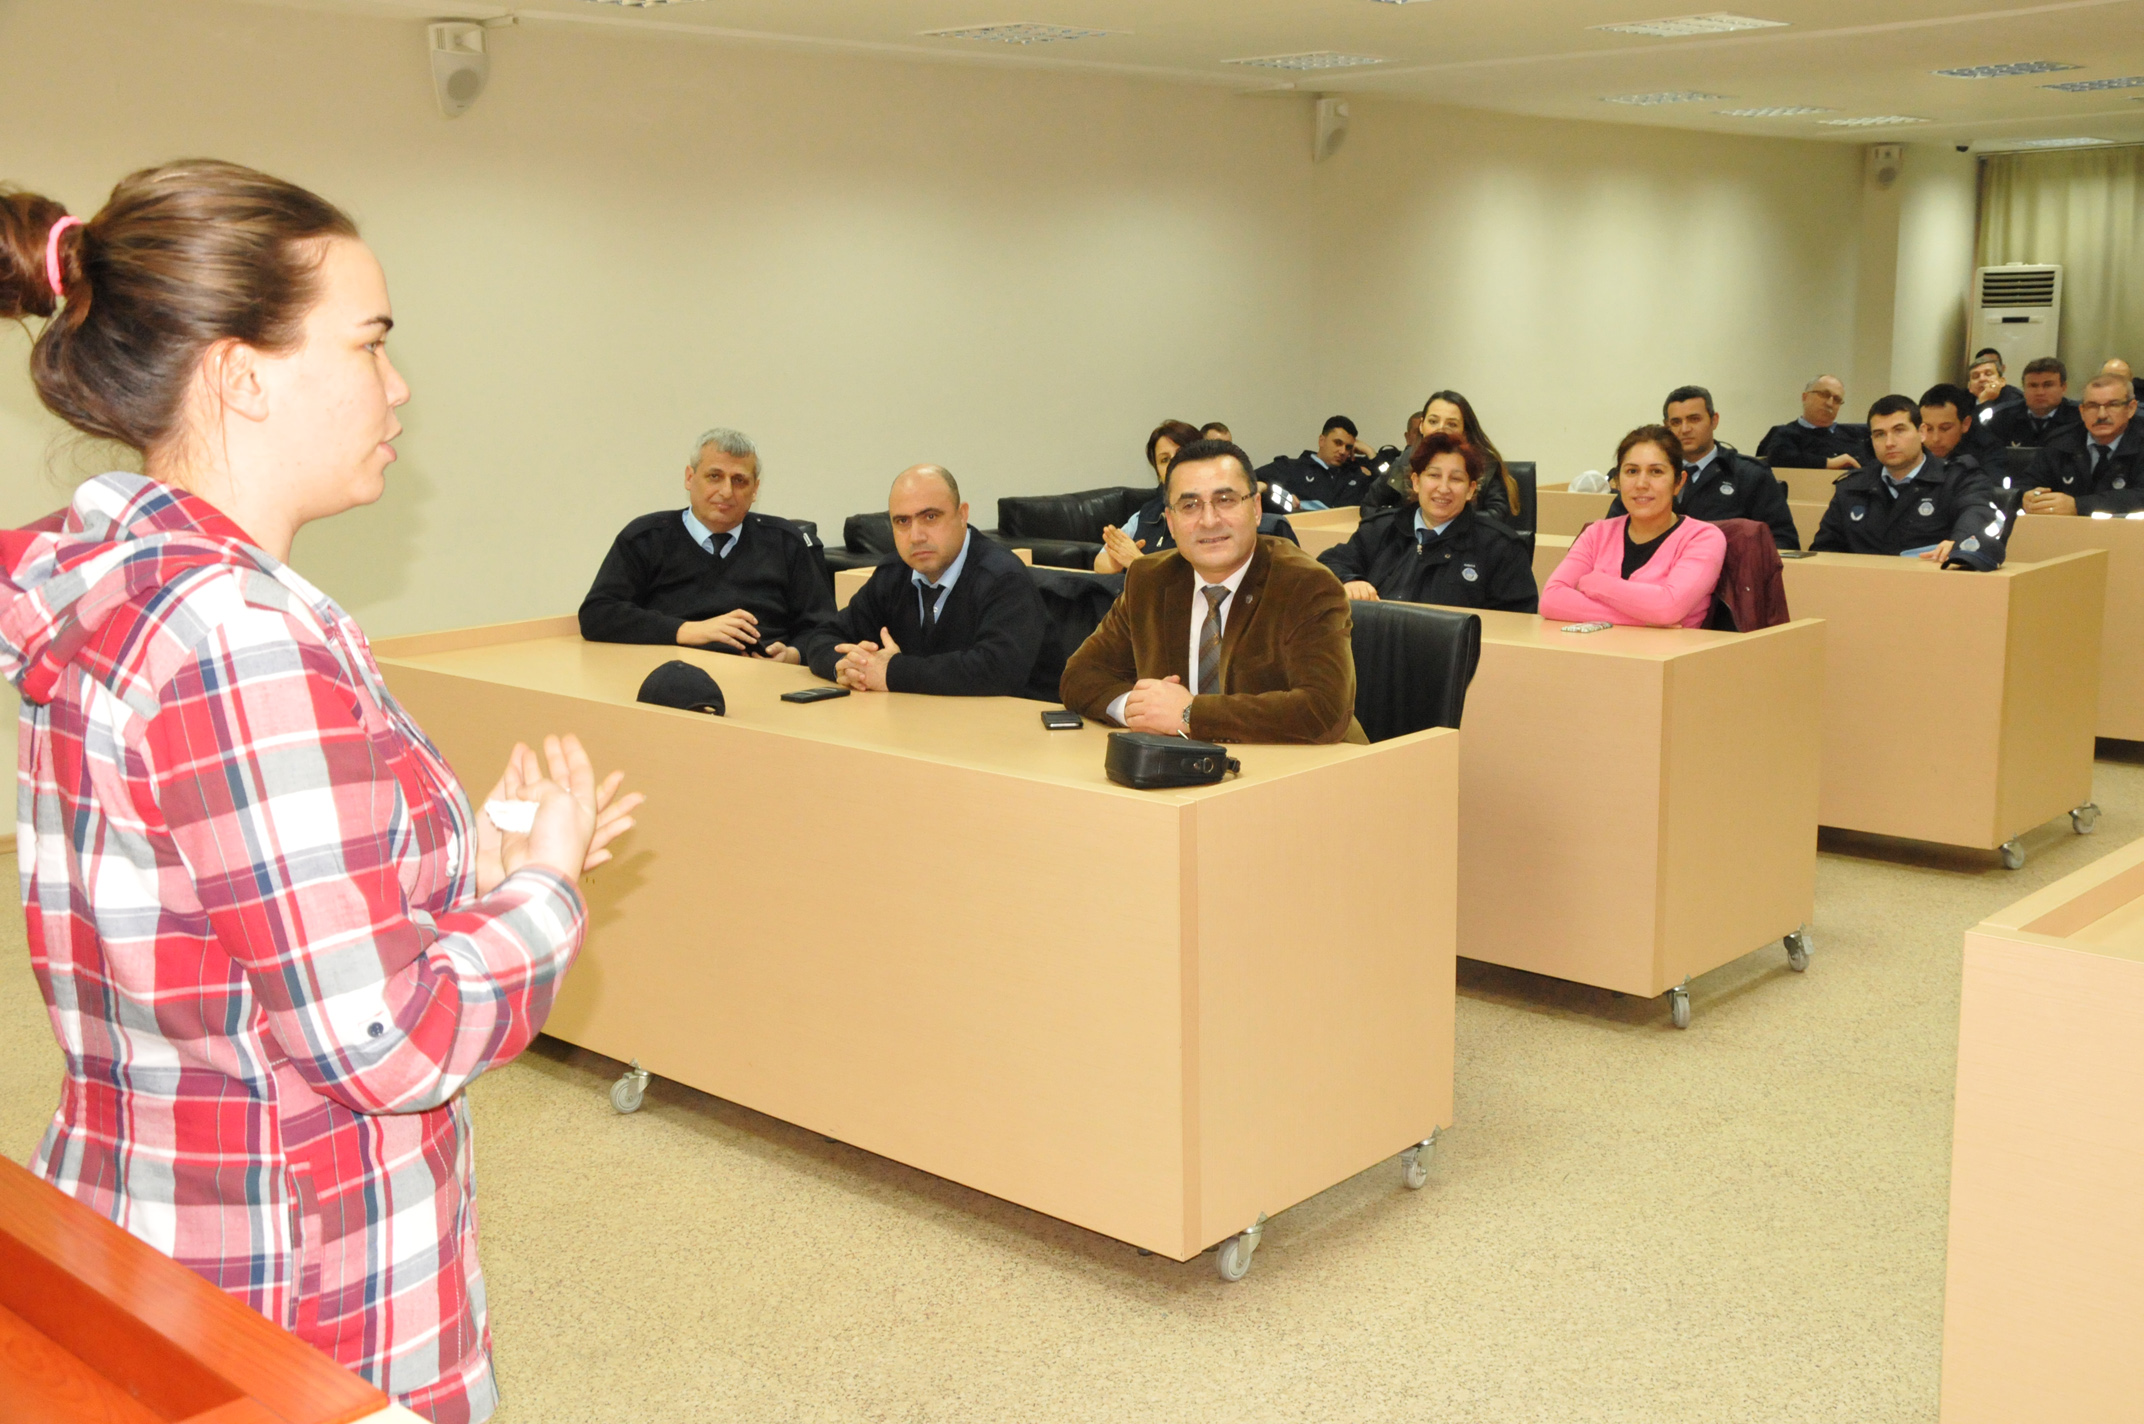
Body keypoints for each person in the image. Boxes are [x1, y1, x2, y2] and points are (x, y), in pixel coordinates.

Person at [0, 162, 640, 1422]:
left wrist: (480, 858)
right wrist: (547, 890)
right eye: (368, 344)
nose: (397, 386)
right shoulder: (240, 642)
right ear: (243, 376)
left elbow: (238, 923)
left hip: (156, 1219)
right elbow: (381, 1039)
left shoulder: (114, 577)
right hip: (293, 1276)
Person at [1060, 438, 1358, 744]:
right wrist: (1141, 711)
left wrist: (1190, 714)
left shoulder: (1306, 585)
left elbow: (1323, 711)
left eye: (1226, 500)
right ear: (1171, 522)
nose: (1209, 520)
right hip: (1183, 775)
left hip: (1310, 775)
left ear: (1255, 508)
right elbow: (1081, 674)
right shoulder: (1149, 579)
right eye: (1189, 506)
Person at [797, 465, 1062, 698]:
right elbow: (823, 637)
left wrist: (890, 672)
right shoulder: (893, 573)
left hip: (1016, 733)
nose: (916, 536)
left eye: (930, 517)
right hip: (925, 724)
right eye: (902, 521)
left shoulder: (1002, 578)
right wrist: (847, 667)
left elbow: (997, 671)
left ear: (962, 515)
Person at [578, 428, 832, 659]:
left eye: (739, 480)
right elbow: (598, 614)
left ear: (755, 490)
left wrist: (793, 656)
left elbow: (824, 627)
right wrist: (688, 631)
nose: (726, 491)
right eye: (714, 476)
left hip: (766, 678)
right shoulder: (646, 538)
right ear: (690, 478)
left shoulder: (785, 541)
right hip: (675, 673)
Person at [1318, 432, 1537, 612]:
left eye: (1456, 479)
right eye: (1433, 476)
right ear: (1415, 482)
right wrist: (1350, 580)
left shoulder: (1501, 547)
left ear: (1471, 490)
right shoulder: (1380, 529)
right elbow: (1327, 564)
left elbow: (1516, 623)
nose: (1443, 488)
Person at [1539, 426, 1727, 629]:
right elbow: (1550, 600)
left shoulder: (1702, 538)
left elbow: (1667, 608)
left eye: (1656, 471)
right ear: (1618, 481)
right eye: (1632, 471)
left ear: (1678, 482)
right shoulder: (1597, 534)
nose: (1641, 483)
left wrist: (1594, 583)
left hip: (1669, 658)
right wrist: (1648, 619)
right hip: (1597, 656)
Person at [1811, 395, 2006, 570]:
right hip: (1859, 593)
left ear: (1922, 433)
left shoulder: (1959, 479)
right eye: (1879, 434)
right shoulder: (1852, 487)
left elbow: (1977, 518)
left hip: (1934, 591)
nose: (1889, 442)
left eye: (1899, 431)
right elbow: (1824, 551)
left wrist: (1961, 545)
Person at [1608, 384, 1798, 549]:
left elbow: (1783, 540)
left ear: (1714, 420)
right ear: (1666, 427)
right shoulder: (1646, 476)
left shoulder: (1750, 475)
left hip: (1725, 578)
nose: (1684, 429)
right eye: (1676, 422)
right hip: (1651, 573)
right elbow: (1613, 531)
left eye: (1694, 419)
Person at [2020, 372, 2143, 516]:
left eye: (2112, 405)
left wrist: (2079, 506)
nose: (2102, 415)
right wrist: (2028, 497)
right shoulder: (2061, 441)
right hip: (2064, 532)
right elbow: (2027, 483)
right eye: (2093, 406)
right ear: (2082, 411)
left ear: (2131, 408)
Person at [1096, 418, 1201, 572]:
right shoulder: (1147, 513)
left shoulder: (1213, 514)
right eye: (1164, 460)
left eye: (1182, 454)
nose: (1173, 464)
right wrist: (1117, 560)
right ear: (1158, 472)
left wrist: (1137, 561)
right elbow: (1100, 562)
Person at [1417, 391, 1517, 520]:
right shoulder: (1406, 460)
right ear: (1421, 425)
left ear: (1465, 432)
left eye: (1451, 424)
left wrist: (1448, 523)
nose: (1441, 429)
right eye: (1433, 421)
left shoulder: (1485, 464)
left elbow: (1497, 514)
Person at [1756, 375, 1872, 470]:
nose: (1830, 403)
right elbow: (1779, 458)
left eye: (1837, 399)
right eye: (1824, 395)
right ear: (1805, 397)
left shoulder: (1858, 434)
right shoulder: (1784, 433)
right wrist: (1828, 463)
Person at [1257, 415, 1373, 510]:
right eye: (1337, 443)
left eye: (1348, 447)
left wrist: (1370, 452)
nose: (1343, 451)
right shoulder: (1292, 467)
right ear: (1321, 441)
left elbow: (1387, 488)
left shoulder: (1356, 474)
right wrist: (1269, 488)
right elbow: (1249, 481)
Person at [1985, 357, 2082, 448]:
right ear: (2024, 388)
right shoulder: (2001, 416)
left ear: (2063, 387)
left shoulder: (2080, 417)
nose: (2040, 392)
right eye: (2033, 386)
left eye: (2048, 385)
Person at [1919, 384, 2001, 471]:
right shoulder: (1911, 447)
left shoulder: (1988, 449)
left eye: (1945, 428)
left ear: (1965, 424)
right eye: (1928, 429)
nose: (1935, 439)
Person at [1967, 348, 2025, 428]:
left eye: (1988, 374)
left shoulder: (2015, 401)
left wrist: (1984, 403)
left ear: (2002, 381)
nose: (1982, 379)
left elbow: (1992, 435)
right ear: (1970, 387)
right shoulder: (1962, 400)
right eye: (1976, 376)